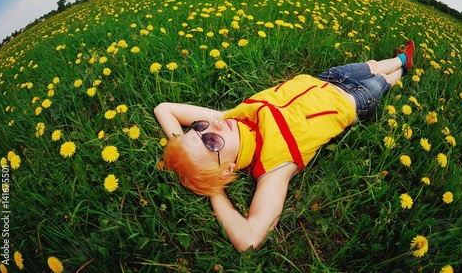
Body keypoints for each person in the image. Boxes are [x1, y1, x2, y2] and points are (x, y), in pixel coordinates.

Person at [154, 40, 415, 252]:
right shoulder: (274, 166)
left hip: (328, 78)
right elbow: (249, 239)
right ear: (227, 169)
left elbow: (163, 108)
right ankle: (402, 70)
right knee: (384, 80)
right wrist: (214, 190)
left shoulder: (229, 118)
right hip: (355, 99)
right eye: (211, 142)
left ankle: (401, 59)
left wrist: (183, 145)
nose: (214, 126)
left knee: (373, 65)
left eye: (199, 127)